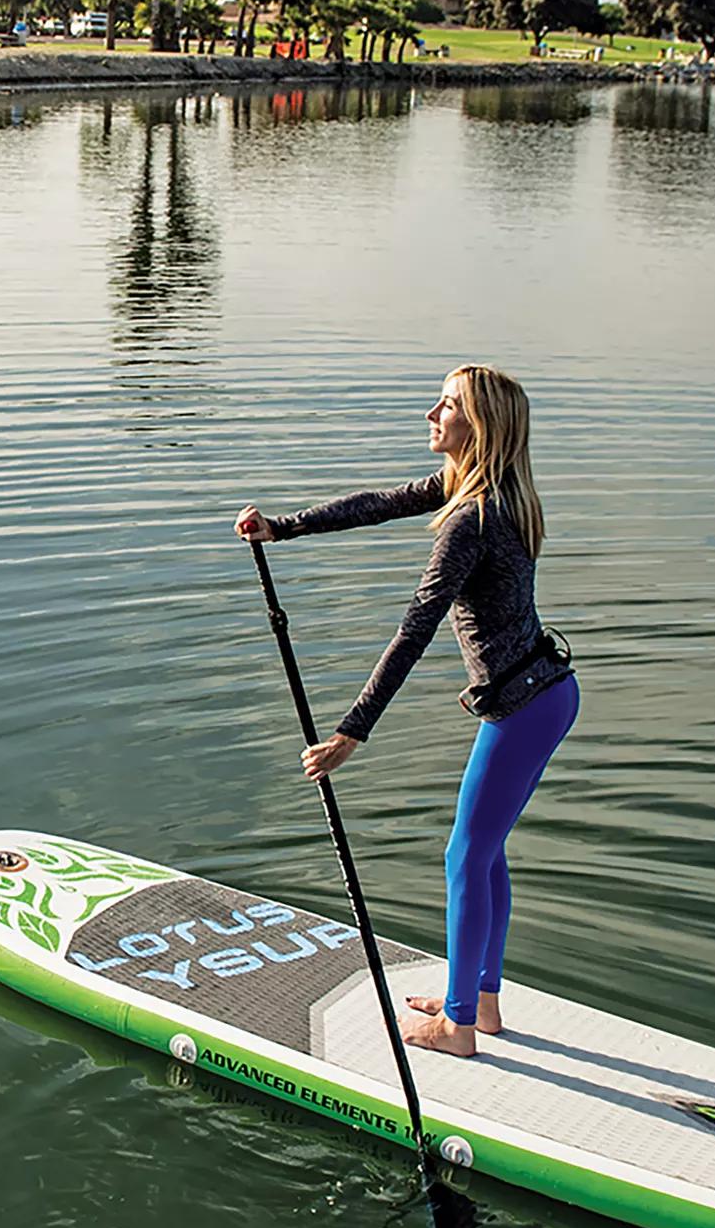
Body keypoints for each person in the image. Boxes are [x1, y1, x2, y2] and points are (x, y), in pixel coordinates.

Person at [235, 365, 579, 1059]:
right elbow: (378, 503)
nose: (430, 413)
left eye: (446, 405)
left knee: (465, 854)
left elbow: (416, 627)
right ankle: (481, 1003)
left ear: (475, 427)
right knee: (484, 854)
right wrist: (284, 528)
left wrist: (350, 731)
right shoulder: (482, 492)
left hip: (525, 706)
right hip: (544, 694)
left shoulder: (472, 522)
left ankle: (457, 1027)